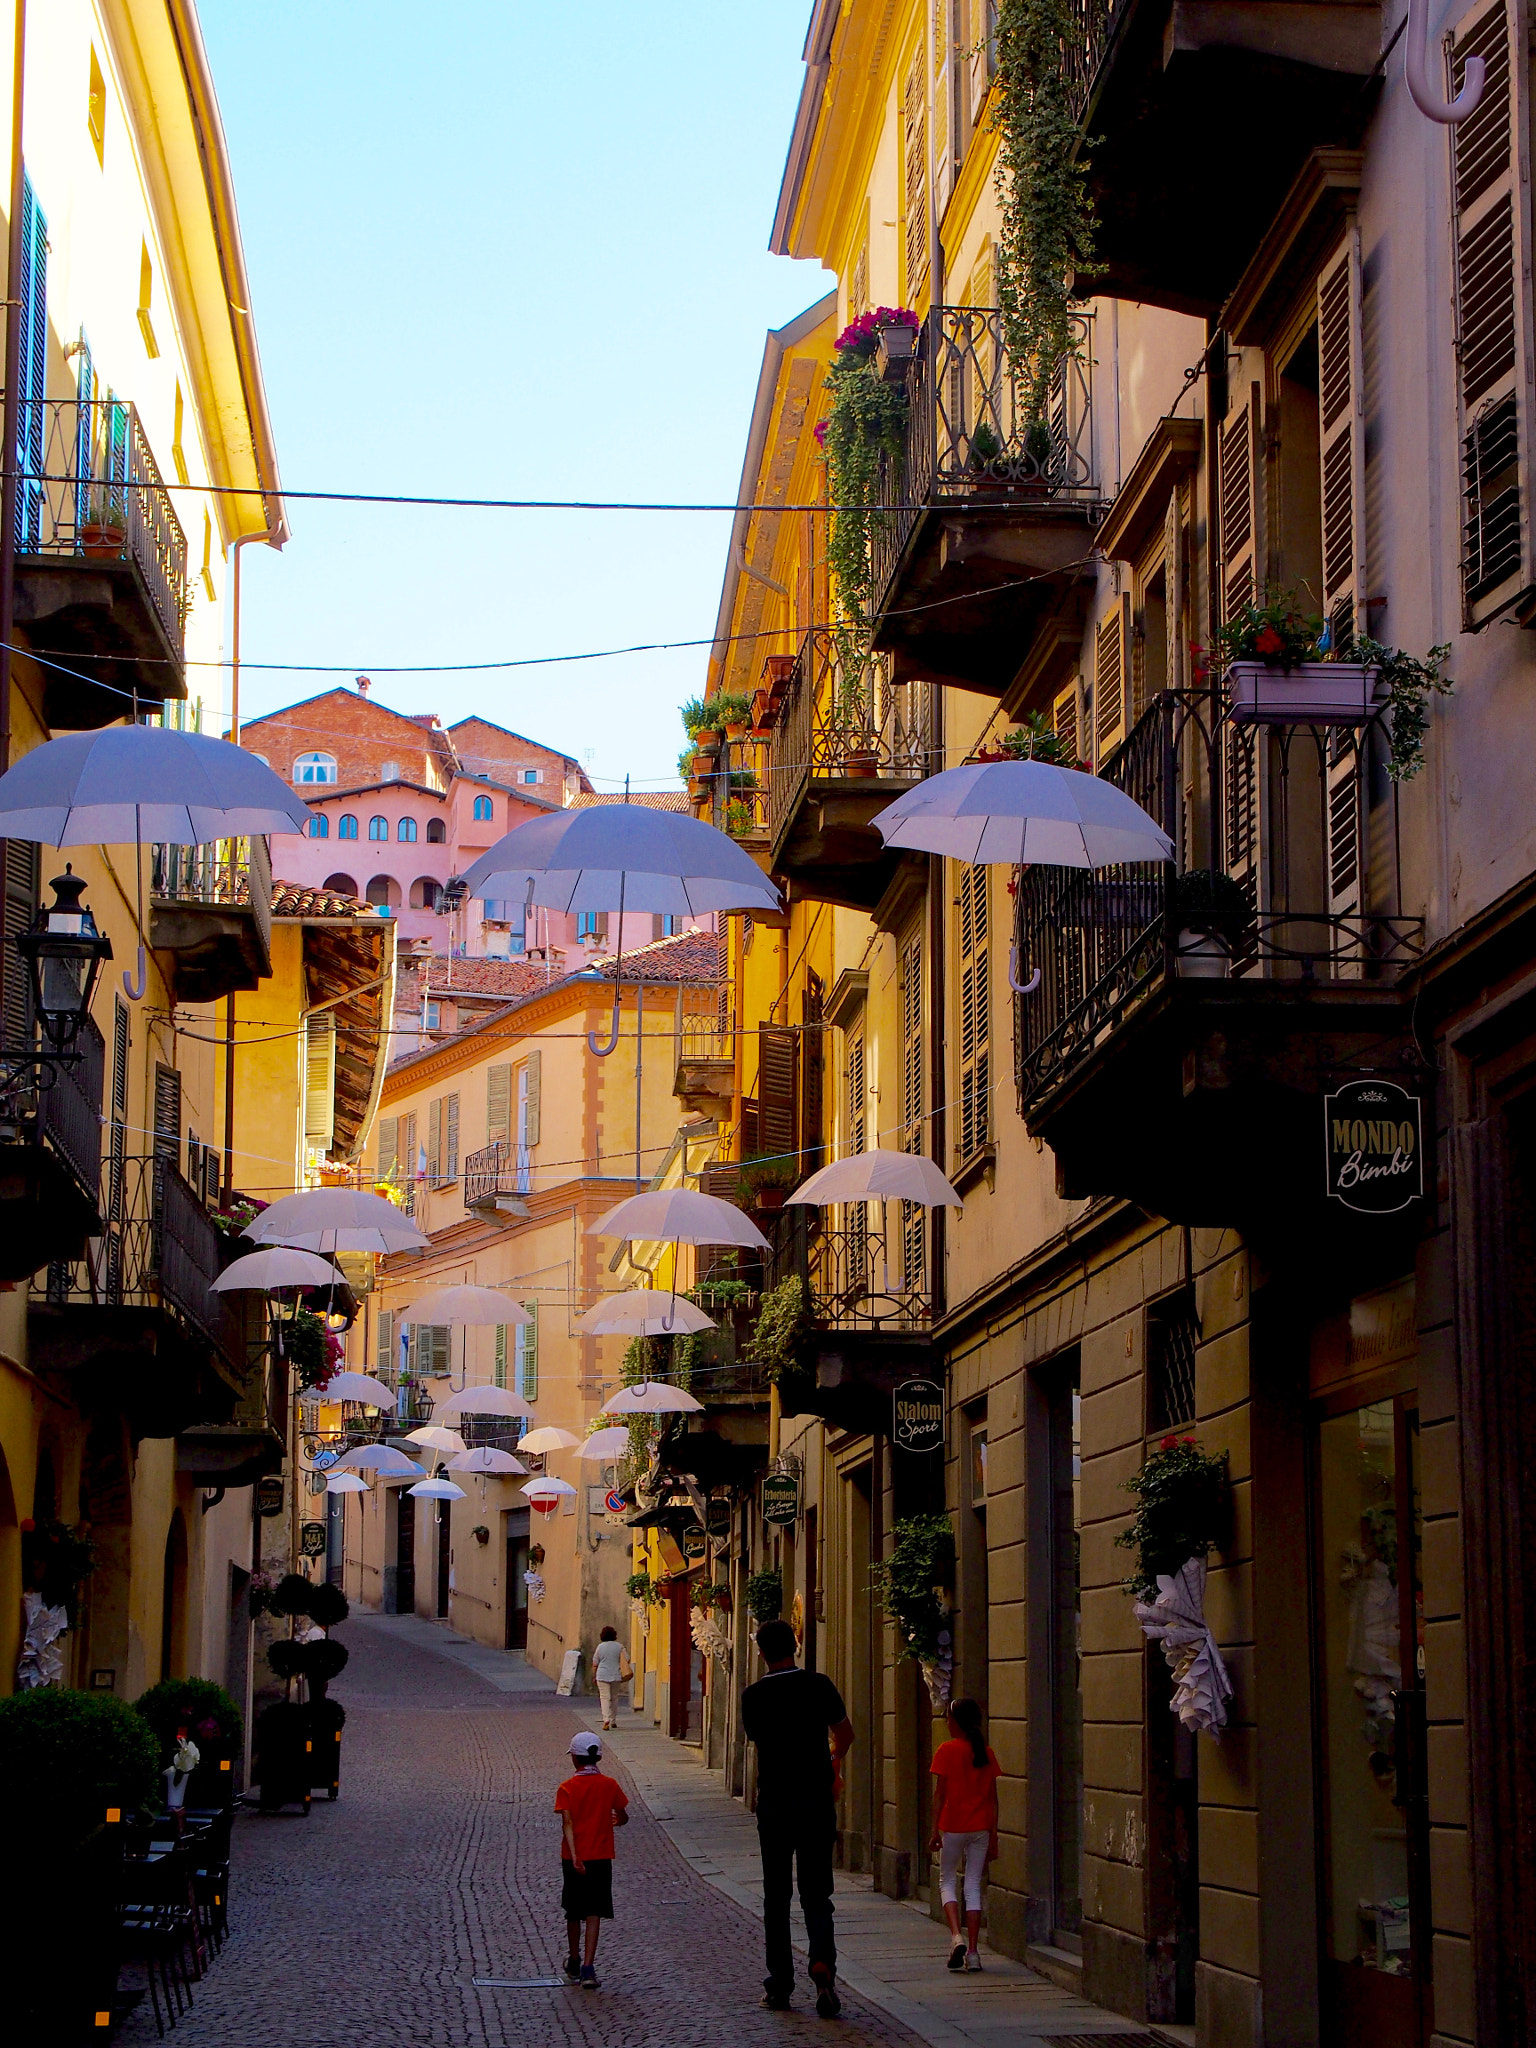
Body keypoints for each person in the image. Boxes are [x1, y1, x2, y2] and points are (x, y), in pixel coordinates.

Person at [740, 1617, 854, 2019]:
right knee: (817, 1895)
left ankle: (780, 1985)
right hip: (815, 1802)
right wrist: (833, 1761)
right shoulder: (818, 1685)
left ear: (761, 1653)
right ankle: (823, 1966)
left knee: (776, 1897)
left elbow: (756, 1739)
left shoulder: (752, 1696)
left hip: (774, 1805)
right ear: (796, 1646)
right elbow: (845, 1732)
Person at [928, 1698, 1000, 1973]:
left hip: (954, 1826)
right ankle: (973, 1952)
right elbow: (994, 1799)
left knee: (947, 1881)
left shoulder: (946, 1750)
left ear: (956, 1722)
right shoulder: (987, 1753)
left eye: (948, 1718)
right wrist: (993, 1835)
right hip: (980, 1827)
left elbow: (939, 1795)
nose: (947, 1722)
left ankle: (956, 1935)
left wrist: (935, 1830)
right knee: (972, 1886)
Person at [554, 1731, 629, 1990]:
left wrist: (575, 1857)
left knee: (573, 1911)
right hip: (601, 1856)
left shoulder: (566, 1788)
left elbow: (568, 1824)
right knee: (594, 1911)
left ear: (575, 1758)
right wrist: (618, 1820)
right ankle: (588, 1966)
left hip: (573, 1857)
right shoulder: (609, 1785)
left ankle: (573, 1959)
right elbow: (622, 1813)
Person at [591, 1625, 631, 1730]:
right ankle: (613, 1720)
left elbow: (595, 1663)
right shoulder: (619, 1646)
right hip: (615, 1675)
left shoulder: (600, 1647)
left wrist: (594, 1675)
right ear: (614, 1635)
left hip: (602, 1675)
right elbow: (627, 1659)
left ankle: (606, 1719)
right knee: (614, 1698)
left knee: (604, 1697)